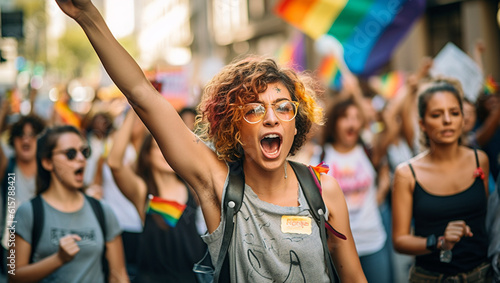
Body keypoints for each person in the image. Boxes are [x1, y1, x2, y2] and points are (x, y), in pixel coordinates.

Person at [54, 1, 367, 281]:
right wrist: (87, 15)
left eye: (283, 107)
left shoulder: (323, 191)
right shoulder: (218, 185)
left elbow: (352, 275)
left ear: (295, 125)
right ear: (235, 128)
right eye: (255, 110)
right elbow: (142, 95)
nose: (272, 118)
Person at [392, 78, 491, 282]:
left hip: (482, 274)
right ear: (423, 124)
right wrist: (438, 242)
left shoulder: (479, 159)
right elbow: (400, 241)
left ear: (463, 118)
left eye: (454, 113)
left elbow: (487, 219)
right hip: (430, 277)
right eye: (436, 115)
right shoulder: (407, 173)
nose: (447, 120)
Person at [10, 125, 128, 283]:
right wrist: (58, 259)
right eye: (70, 154)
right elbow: (13, 275)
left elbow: (119, 275)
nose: (81, 158)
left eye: (85, 152)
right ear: (47, 162)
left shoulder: (102, 210)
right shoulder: (28, 212)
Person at [108, 110, 206, 282]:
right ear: (147, 154)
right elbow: (114, 163)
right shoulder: (142, 192)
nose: (166, 153)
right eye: (159, 147)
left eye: (170, 147)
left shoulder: (192, 188)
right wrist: (133, 110)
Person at [310, 97, 392, 283]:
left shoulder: (368, 151)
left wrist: (379, 194)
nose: (352, 122)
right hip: (338, 247)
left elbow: (390, 129)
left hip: (373, 242)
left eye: (356, 117)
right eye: (345, 117)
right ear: (334, 123)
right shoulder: (320, 157)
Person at [0, 112, 46, 278]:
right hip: (10, 244)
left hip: (43, 244)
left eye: (32, 136)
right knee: (14, 278)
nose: (26, 140)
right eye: (21, 135)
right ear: (13, 140)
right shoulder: (7, 167)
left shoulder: (47, 170)